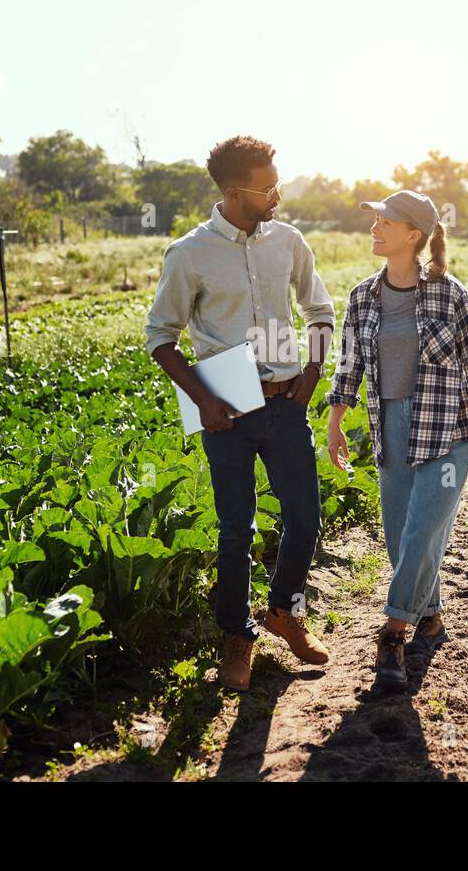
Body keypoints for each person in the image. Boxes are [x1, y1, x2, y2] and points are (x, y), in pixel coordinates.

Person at [145, 135, 335, 692]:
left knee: (305, 519)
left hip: (285, 404)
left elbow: (318, 309)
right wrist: (203, 399)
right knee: (236, 529)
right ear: (235, 191)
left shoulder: (288, 241)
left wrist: (313, 371)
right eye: (268, 186)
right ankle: (236, 637)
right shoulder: (190, 253)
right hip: (227, 411)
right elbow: (160, 337)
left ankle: (284, 612)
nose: (278, 193)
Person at [325, 190, 468, 693]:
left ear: (413, 235)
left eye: (386, 221)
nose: (375, 228)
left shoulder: (449, 293)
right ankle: (431, 617)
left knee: (421, 533)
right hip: (391, 428)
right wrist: (336, 422)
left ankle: (393, 634)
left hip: (446, 431)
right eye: (375, 220)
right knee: (399, 537)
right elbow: (349, 367)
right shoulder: (362, 297)